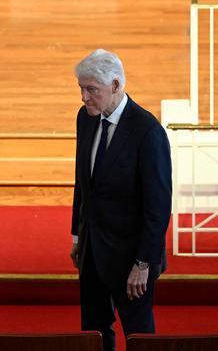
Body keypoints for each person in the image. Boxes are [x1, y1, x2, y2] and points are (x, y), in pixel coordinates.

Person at [70, 49, 172, 351]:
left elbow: (158, 205)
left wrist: (144, 262)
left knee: (138, 334)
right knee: (94, 332)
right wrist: (78, 235)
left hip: (132, 258)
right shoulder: (85, 118)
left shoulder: (147, 131)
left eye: (91, 89)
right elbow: (82, 183)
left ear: (116, 86)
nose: (84, 97)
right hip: (92, 251)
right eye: (81, 88)